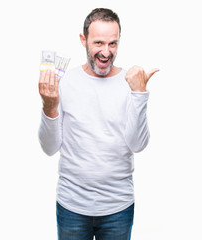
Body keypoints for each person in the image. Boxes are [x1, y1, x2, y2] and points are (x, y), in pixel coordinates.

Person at [38, 8, 158, 240]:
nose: (106, 52)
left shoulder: (129, 83)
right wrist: (49, 106)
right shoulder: (66, 82)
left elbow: (138, 145)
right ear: (83, 40)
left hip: (118, 207)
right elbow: (49, 147)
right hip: (71, 206)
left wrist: (139, 94)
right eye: (98, 43)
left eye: (113, 43)